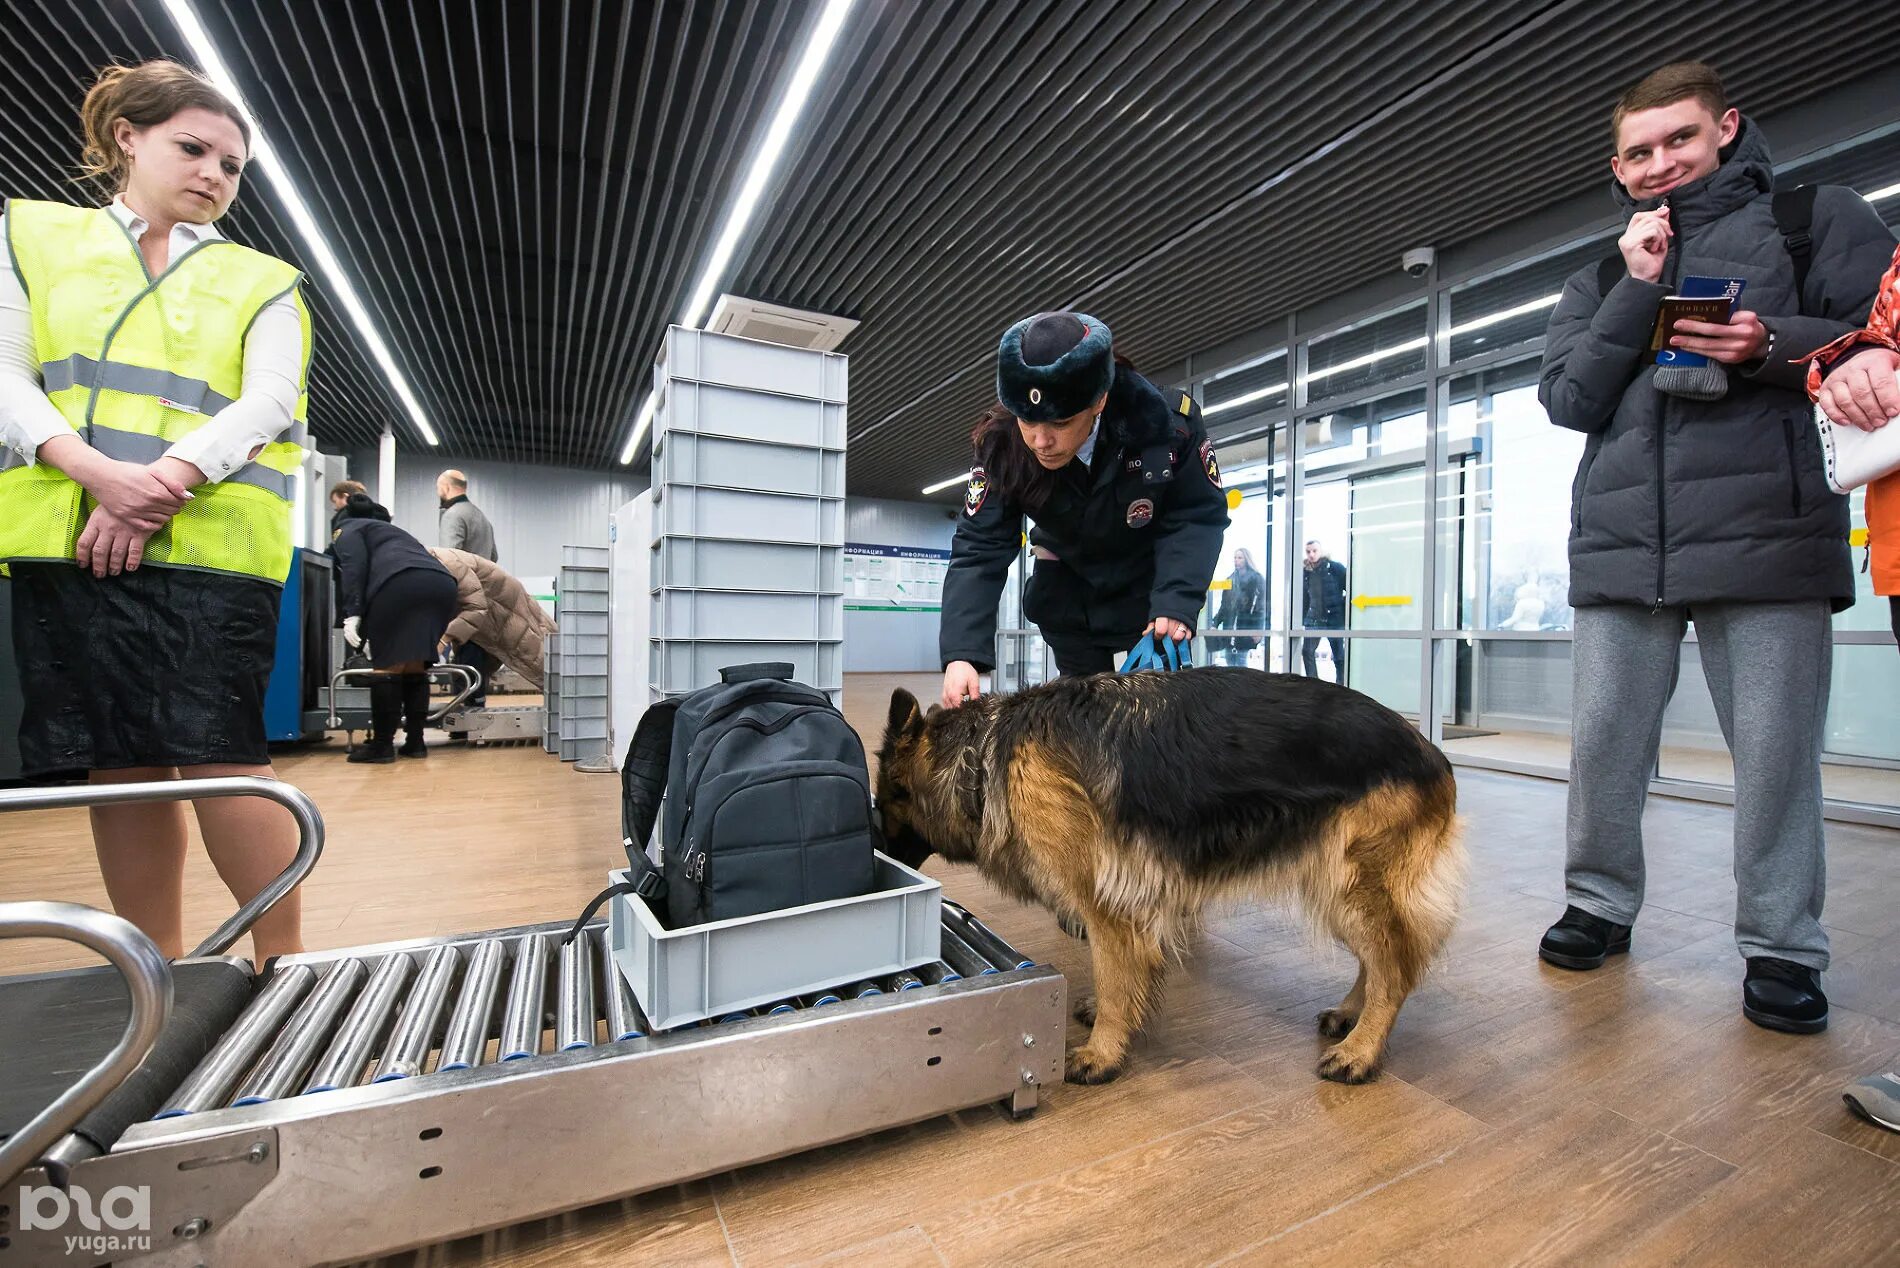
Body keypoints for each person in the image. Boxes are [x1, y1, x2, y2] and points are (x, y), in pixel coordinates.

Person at [1535, 61, 1896, 1034]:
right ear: (1615, 166)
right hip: (1622, 546)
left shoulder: (1811, 219)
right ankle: (1598, 902)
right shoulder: (1600, 273)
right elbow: (1569, 398)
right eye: (1638, 151)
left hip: (1766, 534)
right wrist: (1639, 283)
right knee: (1605, 742)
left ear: (1725, 127)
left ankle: (1782, 945)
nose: (1660, 163)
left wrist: (1767, 342)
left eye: (1679, 139)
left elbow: (1880, 334)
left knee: (1775, 754)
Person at [0, 61, 314, 962]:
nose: (215, 173)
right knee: (124, 766)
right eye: (193, 148)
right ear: (126, 138)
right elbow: (10, 375)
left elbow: (268, 400)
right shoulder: (36, 239)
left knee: (226, 758)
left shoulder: (262, 278)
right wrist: (98, 475)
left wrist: (155, 486)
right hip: (72, 540)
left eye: (232, 163)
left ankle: (283, 963)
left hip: (211, 547)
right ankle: (159, 970)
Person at [938, 312, 1229, 709]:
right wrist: (962, 654)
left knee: (1157, 724)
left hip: (1148, 593)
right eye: (1028, 420)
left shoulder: (1167, 425)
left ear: (1099, 400)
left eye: (1060, 422)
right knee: (1081, 722)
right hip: (1068, 594)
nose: (1041, 441)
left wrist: (1176, 604)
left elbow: (1196, 516)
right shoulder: (1002, 443)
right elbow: (979, 546)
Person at [1808, 242, 1900, 1128]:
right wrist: (1852, 360)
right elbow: (1855, 347)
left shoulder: (1821, 224)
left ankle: (1783, 949)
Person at [331, 495, 458, 763]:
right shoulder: (395, 532)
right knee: (414, 665)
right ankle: (415, 742)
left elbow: (354, 568)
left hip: (400, 584)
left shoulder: (349, 529)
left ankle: (381, 746)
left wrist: (351, 613)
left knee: (387, 665)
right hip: (442, 584)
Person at [429, 546, 557, 691]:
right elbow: (493, 555)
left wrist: (443, 639)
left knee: (537, 656)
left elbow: (476, 606)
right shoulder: (438, 558)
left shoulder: (446, 562)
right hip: (484, 598)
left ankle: (570, 696)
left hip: (490, 603)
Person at [436, 468, 497, 707]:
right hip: (483, 593)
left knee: (464, 650)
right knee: (477, 649)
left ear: (446, 487)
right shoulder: (482, 518)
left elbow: (447, 559)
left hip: (462, 594)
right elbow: (494, 555)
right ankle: (476, 701)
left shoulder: (453, 515)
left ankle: (466, 709)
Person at [1298, 540, 1348, 682]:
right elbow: (1303, 598)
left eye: (1314, 551)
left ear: (1321, 551)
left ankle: (1341, 685)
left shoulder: (1335, 568)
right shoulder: (1305, 572)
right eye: (1308, 551)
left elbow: (1350, 588)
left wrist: (1344, 612)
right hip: (1314, 619)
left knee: (1339, 656)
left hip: (1334, 618)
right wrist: (1301, 618)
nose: (1311, 554)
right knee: (1307, 651)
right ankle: (1314, 684)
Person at [1211, 547, 1265, 667]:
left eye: (1240, 557)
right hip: (1229, 629)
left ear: (1246, 559)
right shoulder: (1230, 580)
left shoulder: (1256, 579)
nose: (1236, 560)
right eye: (1235, 557)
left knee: (1241, 662)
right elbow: (1224, 606)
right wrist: (1215, 623)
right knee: (1230, 663)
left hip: (1246, 627)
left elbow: (1261, 607)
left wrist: (1258, 629)